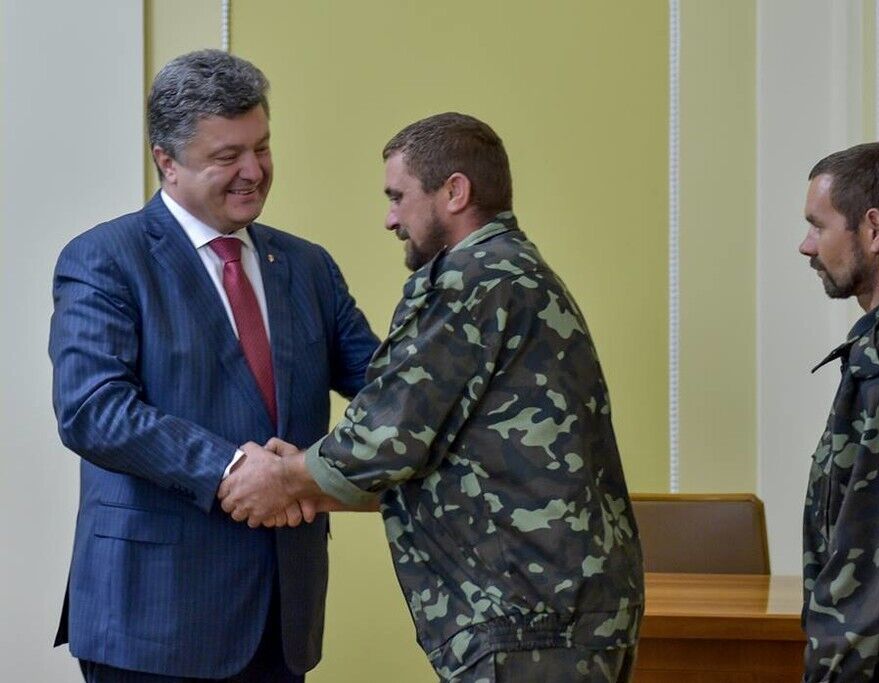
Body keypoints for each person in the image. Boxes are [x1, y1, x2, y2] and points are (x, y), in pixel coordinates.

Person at [218, 112, 644, 682]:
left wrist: (283, 479)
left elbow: (385, 439)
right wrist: (308, 485)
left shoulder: (474, 279)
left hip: (528, 620)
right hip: (556, 611)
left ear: (454, 192)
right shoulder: (513, 272)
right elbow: (448, 460)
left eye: (398, 196)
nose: (390, 218)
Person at [48, 49, 379, 681]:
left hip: (282, 616)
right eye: (228, 156)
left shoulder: (308, 266)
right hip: (151, 620)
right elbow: (93, 410)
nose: (254, 171)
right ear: (167, 161)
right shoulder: (105, 259)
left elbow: (387, 391)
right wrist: (230, 469)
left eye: (263, 147)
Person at [797, 142, 879, 681]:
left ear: (874, 230)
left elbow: (870, 537)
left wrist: (831, 669)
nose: (805, 245)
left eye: (818, 226)